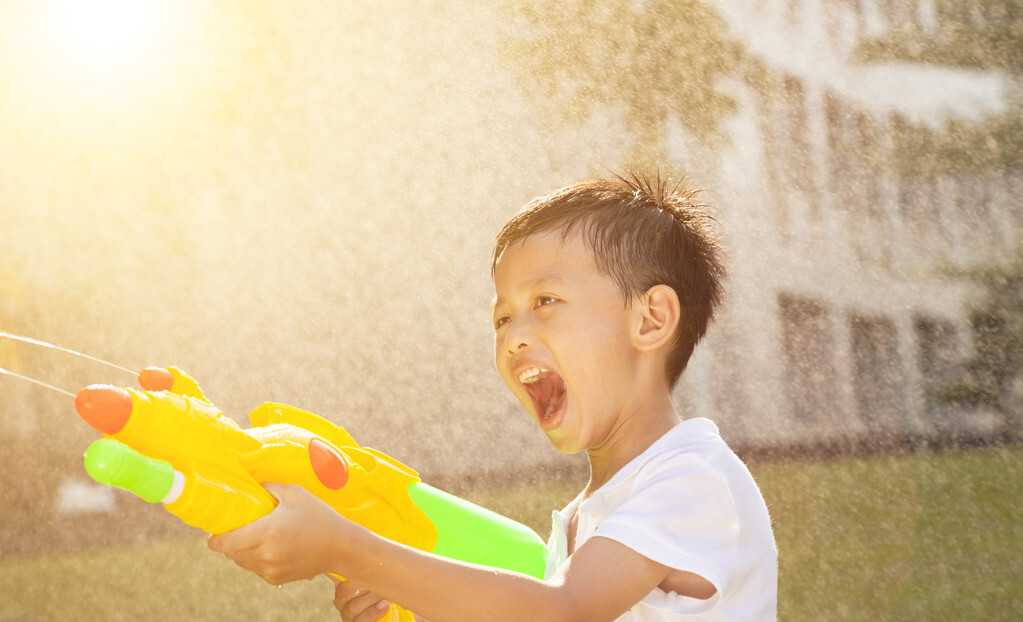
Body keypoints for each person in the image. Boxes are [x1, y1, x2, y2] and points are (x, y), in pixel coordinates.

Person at [208, 173, 778, 621]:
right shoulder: (587, 515)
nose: (514, 335)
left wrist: (348, 551)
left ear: (650, 319)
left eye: (546, 301)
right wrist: (413, 600)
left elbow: (562, 613)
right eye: (502, 317)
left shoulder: (693, 481)